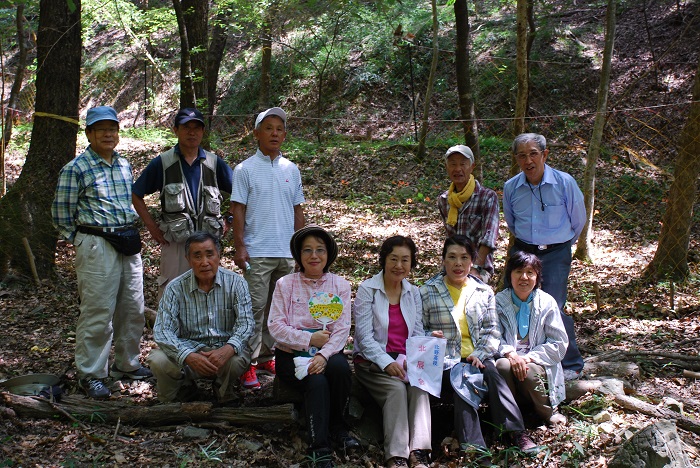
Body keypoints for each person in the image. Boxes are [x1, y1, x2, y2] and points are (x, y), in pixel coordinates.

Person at [52, 106, 151, 399]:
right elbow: (61, 214)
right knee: (98, 312)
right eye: (101, 129)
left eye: (113, 128)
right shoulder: (76, 168)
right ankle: (92, 373)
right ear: (89, 134)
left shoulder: (124, 165)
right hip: (96, 245)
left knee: (133, 308)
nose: (108, 134)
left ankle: (128, 364)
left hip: (128, 243)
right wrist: (82, 240)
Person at [420, 236, 537, 461]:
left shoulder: (483, 292)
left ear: (472, 261)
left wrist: (479, 353)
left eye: (464, 258)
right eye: (452, 257)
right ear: (443, 260)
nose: (458, 264)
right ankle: (475, 449)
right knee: (461, 376)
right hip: (445, 361)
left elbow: (493, 332)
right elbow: (417, 331)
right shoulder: (426, 291)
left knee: (493, 374)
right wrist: (430, 337)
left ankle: (516, 433)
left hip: (479, 358)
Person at [268, 225, 359, 467]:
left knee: (340, 370)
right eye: (307, 250)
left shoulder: (339, 285)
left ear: (328, 254)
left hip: (327, 353)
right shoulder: (285, 284)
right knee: (316, 381)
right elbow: (275, 326)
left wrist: (324, 354)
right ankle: (319, 447)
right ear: (299, 255)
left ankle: (339, 428)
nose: (314, 256)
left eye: (320, 250)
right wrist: (308, 339)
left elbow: (341, 330)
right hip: (291, 354)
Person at [230, 107, 305, 389]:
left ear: (284, 135)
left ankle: (265, 357)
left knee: (280, 309)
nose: (274, 133)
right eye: (269, 128)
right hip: (257, 251)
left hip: (286, 252)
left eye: (279, 129)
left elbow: (298, 210)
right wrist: (240, 247)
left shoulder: (292, 169)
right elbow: (238, 210)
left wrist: (302, 248)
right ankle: (246, 363)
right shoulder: (245, 169)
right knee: (254, 307)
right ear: (256, 133)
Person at [503, 133, 585, 380]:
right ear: (516, 159)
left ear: (545, 155)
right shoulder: (511, 187)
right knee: (514, 302)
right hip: (523, 248)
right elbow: (512, 222)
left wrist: (559, 246)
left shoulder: (564, 182)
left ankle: (570, 363)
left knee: (554, 306)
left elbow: (578, 219)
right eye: (522, 155)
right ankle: (519, 355)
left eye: (533, 154)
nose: (528, 161)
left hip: (556, 252)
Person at [132, 108, 233, 302]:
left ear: (203, 132)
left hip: (208, 243)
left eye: (197, 128)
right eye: (186, 127)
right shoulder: (163, 163)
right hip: (175, 243)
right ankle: (169, 332)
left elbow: (241, 192)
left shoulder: (213, 163)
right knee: (172, 293)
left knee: (209, 292)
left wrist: (229, 218)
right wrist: (152, 228)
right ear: (176, 130)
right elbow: (136, 194)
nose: (192, 132)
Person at [148, 231, 254, 405]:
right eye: (197, 256)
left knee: (237, 359)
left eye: (209, 254)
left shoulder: (236, 283)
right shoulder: (175, 288)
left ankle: (224, 393)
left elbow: (246, 324)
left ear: (218, 255)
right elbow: (162, 330)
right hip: (188, 351)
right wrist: (187, 355)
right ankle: (179, 394)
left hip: (222, 351)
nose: (205, 262)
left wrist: (228, 348)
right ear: (188, 260)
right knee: (158, 360)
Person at [353, 236, 431, 468]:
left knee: (419, 387)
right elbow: (364, 338)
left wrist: (410, 359)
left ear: (411, 263)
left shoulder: (412, 292)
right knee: (396, 389)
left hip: (405, 361)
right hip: (372, 363)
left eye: (405, 260)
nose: (399, 265)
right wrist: (386, 362)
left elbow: (416, 333)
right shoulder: (368, 290)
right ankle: (396, 456)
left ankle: (419, 453)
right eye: (393, 259)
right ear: (384, 260)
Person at [495, 251, 569, 426]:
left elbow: (558, 342)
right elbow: (493, 336)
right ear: (509, 274)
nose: (524, 277)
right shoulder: (497, 301)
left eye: (530, 272)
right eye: (518, 271)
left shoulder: (547, 302)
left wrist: (528, 358)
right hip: (508, 357)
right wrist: (511, 355)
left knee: (528, 371)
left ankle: (546, 411)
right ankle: (511, 415)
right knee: (502, 366)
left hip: (537, 361)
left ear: (537, 277)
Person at [437, 145, 499, 283]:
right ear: (447, 168)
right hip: (452, 265)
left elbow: (489, 237)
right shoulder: (444, 200)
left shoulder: (487, 197)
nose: (457, 169)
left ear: (472, 167)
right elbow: (449, 237)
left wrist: (475, 267)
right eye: (453, 164)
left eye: (463, 164)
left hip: (479, 266)